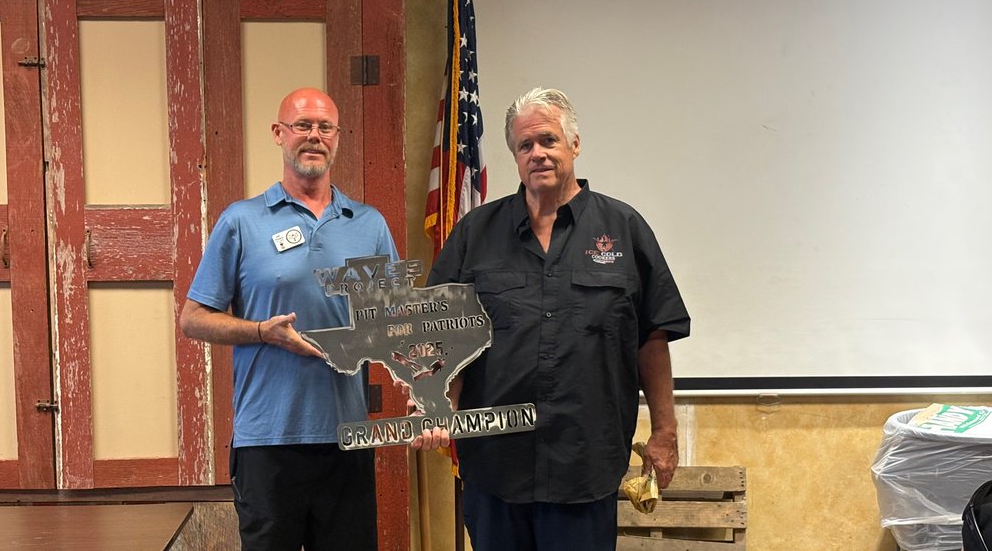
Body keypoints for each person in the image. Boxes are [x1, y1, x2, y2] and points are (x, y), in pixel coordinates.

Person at [418, 87, 691, 550]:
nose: (538, 154)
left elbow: (652, 337)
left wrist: (664, 432)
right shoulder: (476, 233)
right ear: (514, 155)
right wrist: (434, 400)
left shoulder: (624, 229)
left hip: (584, 467)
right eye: (525, 146)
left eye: (548, 140)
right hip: (495, 466)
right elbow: (442, 338)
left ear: (575, 145)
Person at [180, 87, 396, 551]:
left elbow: (394, 321)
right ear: (279, 134)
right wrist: (261, 332)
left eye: (325, 127)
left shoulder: (369, 224)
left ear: (337, 138)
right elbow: (193, 319)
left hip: (347, 439)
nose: (313, 136)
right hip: (267, 441)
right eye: (302, 126)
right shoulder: (241, 221)